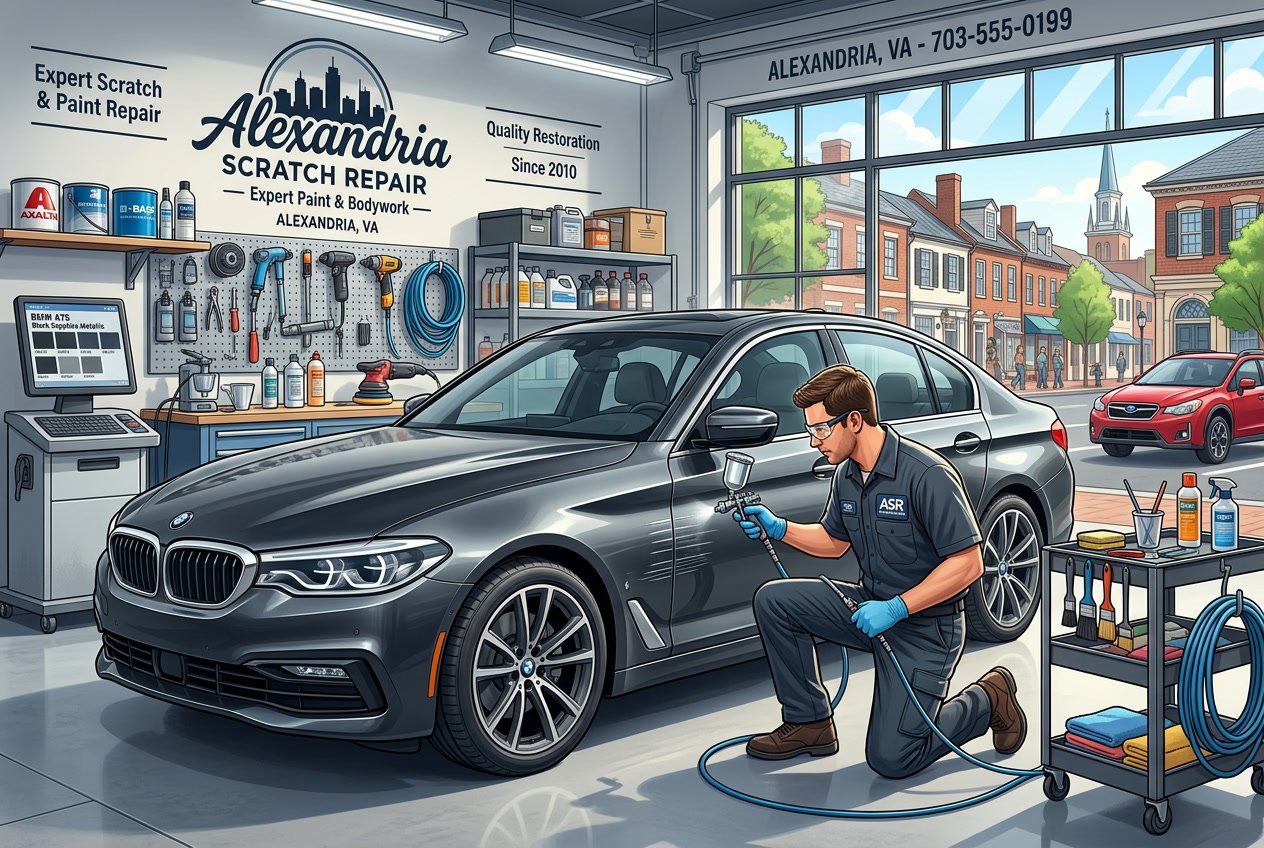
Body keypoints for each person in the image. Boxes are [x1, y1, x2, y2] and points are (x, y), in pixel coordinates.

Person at [735, 365, 1026, 778]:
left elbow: (968, 563)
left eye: (820, 430)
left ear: (854, 420)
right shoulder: (847, 475)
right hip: (869, 607)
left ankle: (988, 698)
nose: (814, 442)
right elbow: (835, 542)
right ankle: (810, 723)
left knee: (892, 758)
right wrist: (778, 528)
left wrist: (897, 609)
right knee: (775, 600)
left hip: (927, 628)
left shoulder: (926, 474)